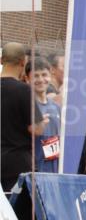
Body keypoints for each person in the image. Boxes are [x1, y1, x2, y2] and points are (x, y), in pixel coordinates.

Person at [0, 42, 45, 193]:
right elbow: (36, 129)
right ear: (22, 62)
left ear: (1, 60)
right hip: (17, 164)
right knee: (17, 207)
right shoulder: (24, 90)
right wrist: (43, 122)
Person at [25, 56, 61, 173]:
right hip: (34, 171)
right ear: (27, 79)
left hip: (55, 170)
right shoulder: (26, 106)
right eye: (36, 76)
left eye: (44, 75)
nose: (41, 79)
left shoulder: (56, 107)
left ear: (50, 76)